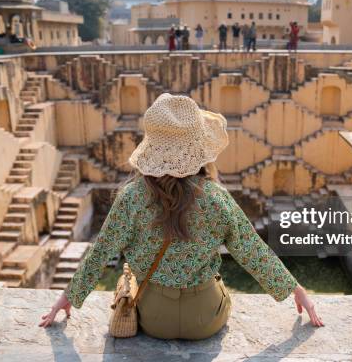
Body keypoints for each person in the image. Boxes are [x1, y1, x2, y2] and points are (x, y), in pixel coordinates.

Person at [40, 93, 324, 339]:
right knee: (219, 286)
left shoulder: (131, 197)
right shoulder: (216, 198)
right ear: (198, 148)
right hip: (206, 318)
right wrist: (295, 290)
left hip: (154, 319)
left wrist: (68, 297)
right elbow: (251, 250)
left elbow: (101, 252)